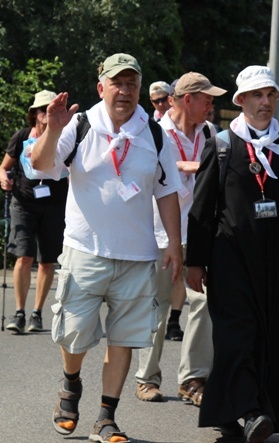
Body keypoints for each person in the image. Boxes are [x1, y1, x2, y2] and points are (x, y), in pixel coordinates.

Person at [30, 53, 182, 443]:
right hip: (85, 249)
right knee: (74, 333)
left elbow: (167, 193)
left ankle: (106, 417)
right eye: (117, 83)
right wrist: (50, 128)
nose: (125, 91)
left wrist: (174, 245)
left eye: (132, 83)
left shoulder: (155, 132)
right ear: (102, 88)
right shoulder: (79, 124)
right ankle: (71, 385)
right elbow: (42, 164)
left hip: (138, 256)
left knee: (124, 337)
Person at [186, 65, 279, 442]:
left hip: (278, 257)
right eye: (257, 96)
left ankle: (240, 415)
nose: (266, 102)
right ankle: (250, 410)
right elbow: (202, 208)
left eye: (271, 95)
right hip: (230, 255)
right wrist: (194, 262)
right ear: (241, 101)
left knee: (275, 335)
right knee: (237, 335)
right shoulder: (222, 144)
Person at [135, 72, 226, 405]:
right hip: (160, 231)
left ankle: (192, 379)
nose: (212, 106)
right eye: (207, 99)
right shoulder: (154, 131)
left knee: (203, 303)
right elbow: (151, 169)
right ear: (188, 99)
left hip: (200, 232)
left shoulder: (211, 133)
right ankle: (146, 378)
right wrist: (195, 165)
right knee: (157, 306)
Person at [1, 90, 68, 334]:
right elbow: (4, 166)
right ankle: (19, 312)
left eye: (48, 109)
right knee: (24, 256)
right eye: (40, 110)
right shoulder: (21, 137)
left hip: (54, 203)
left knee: (47, 261)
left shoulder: (64, 137)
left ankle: (37, 313)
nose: (44, 114)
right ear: (34, 114)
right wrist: (3, 179)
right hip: (23, 202)